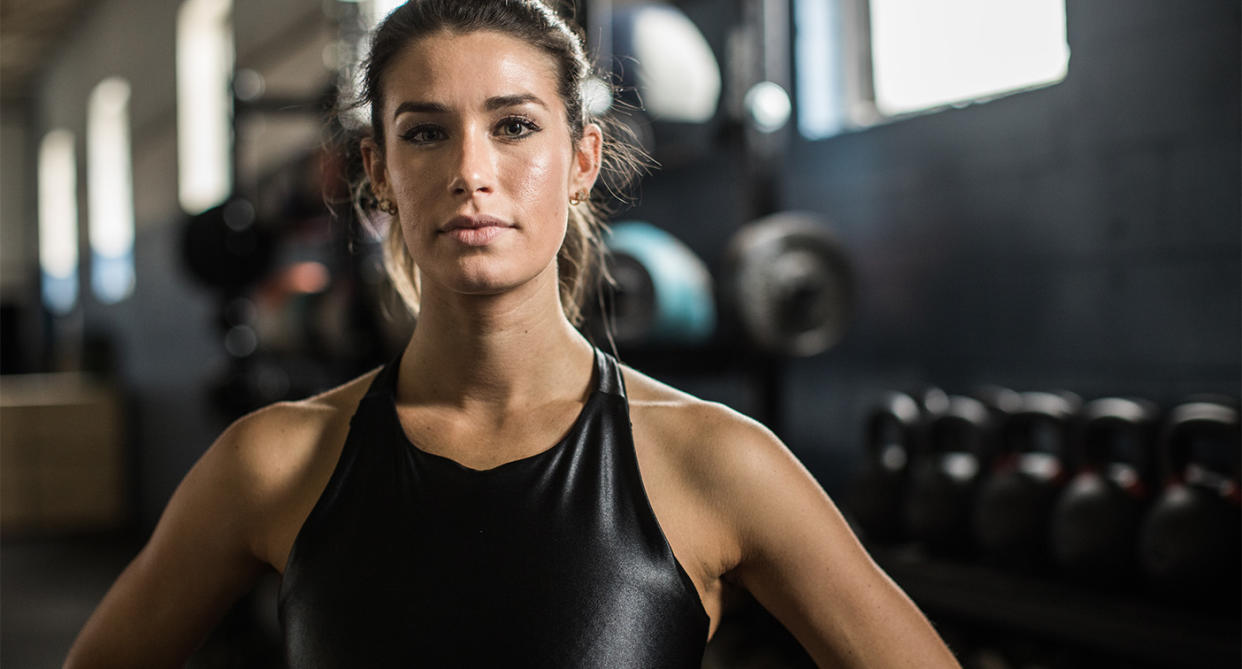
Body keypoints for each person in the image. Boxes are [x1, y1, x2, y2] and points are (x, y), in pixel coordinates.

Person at [66, 1, 959, 666]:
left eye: (515, 126)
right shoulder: (275, 462)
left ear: (581, 160)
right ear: (377, 171)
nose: (470, 173)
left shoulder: (712, 461)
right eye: (425, 133)